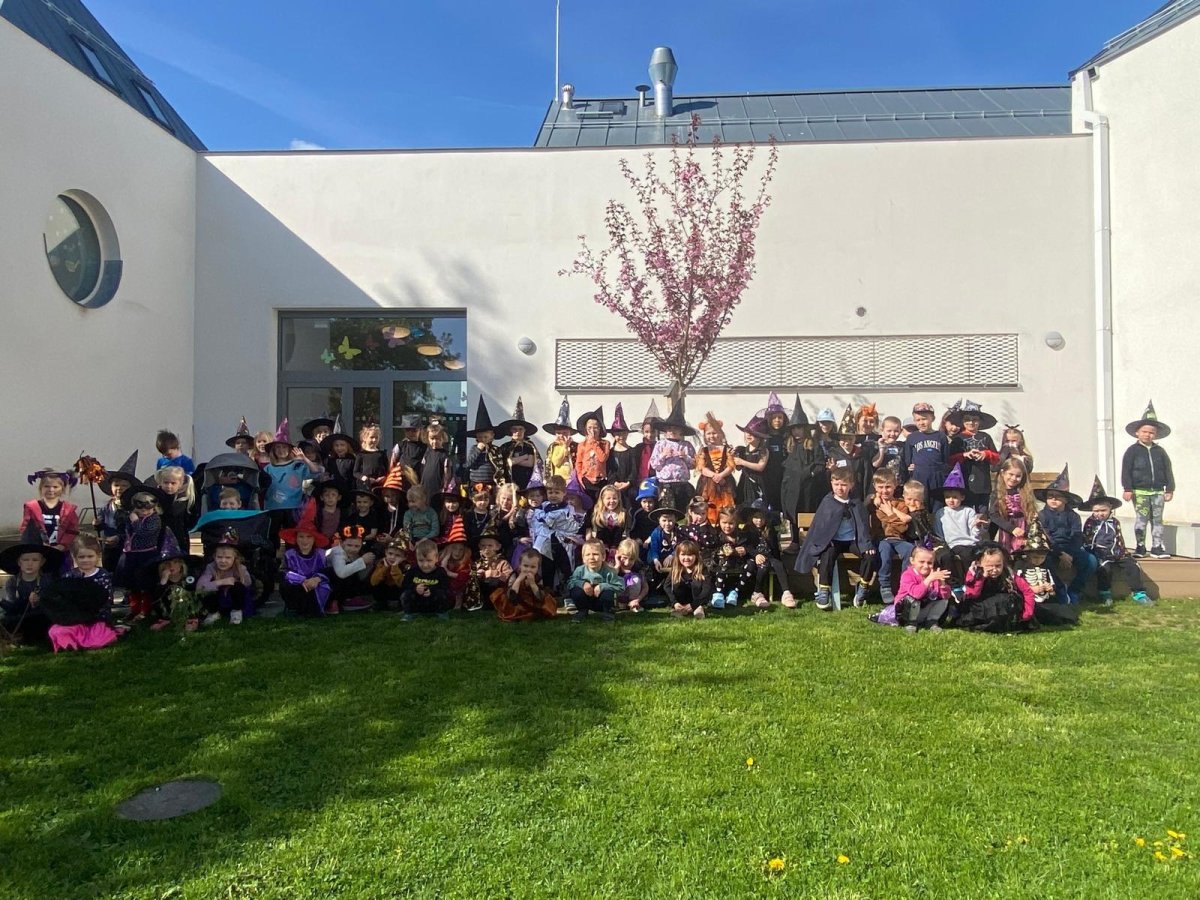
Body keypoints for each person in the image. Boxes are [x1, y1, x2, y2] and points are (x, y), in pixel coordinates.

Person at [794, 467, 878, 610]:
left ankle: (863, 587)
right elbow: (820, 526)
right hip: (834, 541)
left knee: (870, 556)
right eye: (836, 484)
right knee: (827, 555)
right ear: (831, 484)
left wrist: (867, 544)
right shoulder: (828, 502)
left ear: (851, 485)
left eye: (844, 484)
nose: (840, 488)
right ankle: (824, 590)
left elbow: (863, 527)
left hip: (853, 541)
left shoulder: (856, 503)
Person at [1080, 478, 1151, 606]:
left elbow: (1118, 538)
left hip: (1117, 552)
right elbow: (1087, 539)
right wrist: (1092, 551)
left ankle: (1138, 592)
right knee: (1104, 569)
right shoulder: (1090, 523)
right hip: (1100, 553)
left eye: (1103, 510)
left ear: (1110, 509)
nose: (1100, 514)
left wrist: (1122, 552)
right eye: (1096, 511)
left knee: (1132, 566)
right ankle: (1105, 593)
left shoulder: (1115, 522)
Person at [117, 484, 180, 620]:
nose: (145, 512)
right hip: (132, 554)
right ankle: (134, 609)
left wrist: (135, 522)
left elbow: (143, 533)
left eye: (148, 509)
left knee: (145, 584)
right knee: (133, 584)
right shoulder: (132, 518)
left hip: (147, 555)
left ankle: (145, 610)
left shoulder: (154, 520)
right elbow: (127, 533)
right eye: (141, 510)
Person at [1121, 401, 1175, 558]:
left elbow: (1168, 470)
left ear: (1155, 435)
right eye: (1144, 431)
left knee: (1157, 519)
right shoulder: (1132, 451)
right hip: (1140, 492)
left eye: (1151, 432)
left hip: (1157, 492)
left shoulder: (1160, 451)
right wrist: (1127, 488)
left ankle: (1157, 547)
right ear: (1137, 433)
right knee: (1141, 519)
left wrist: (1170, 489)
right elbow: (1126, 471)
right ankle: (1140, 546)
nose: (1147, 435)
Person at [1035, 465, 1093, 604]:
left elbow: (1077, 536)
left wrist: (1070, 554)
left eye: (1058, 497)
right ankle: (1060, 590)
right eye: (1050, 496)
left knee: (1091, 561)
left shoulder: (1073, 516)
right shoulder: (1041, 516)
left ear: (1066, 499)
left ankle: (1074, 590)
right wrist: (1060, 554)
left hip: (1070, 548)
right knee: (1044, 562)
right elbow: (1045, 537)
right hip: (1050, 548)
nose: (1053, 499)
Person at [956, 544, 1036, 632]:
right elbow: (973, 594)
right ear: (979, 563)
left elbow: (1027, 591)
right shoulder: (974, 573)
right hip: (981, 606)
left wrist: (1028, 612)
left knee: (1008, 599)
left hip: (1004, 606)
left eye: (998, 566)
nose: (994, 570)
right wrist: (982, 578)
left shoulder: (1009, 574)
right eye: (990, 566)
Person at [933, 464, 987, 592]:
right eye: (947, 497)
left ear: (962, 497)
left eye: (955, 497)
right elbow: (938, 532)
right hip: (950, 544)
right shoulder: (941, 513)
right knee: (947, 556)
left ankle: (971, 580)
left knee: (969, 553)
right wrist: (943, 544)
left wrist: (977, 526)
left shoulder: (968, 511)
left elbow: (975, 534)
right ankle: (955, 584)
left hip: (968, 543)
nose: (951, 500)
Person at [0, 542, 62, 644]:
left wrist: (40, 599)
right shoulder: (12, 582)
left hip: (41, 615)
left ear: (42, 562)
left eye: (35, 560)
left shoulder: (48, 580)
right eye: (25, 560)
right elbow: (12, 606)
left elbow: (54, 602)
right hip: (19, 615)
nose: (30, 564)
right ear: (19, 562)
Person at [947, 401, 999, 511]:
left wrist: (986, 454)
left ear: (980, 421)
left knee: (983, 513)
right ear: (962, 421)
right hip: (964, 484)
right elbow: (950, 460)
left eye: (975, 419)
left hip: (983, 483)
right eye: (967, 419)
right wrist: (964, 455)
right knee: (966, 512)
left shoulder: (986, 437)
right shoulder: (958, 438)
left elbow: (997, 458)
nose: (971, 422)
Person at [870, 471, 912, 605]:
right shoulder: (873, 504)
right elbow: (862, 507)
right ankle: (885, 585)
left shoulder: (901, 504)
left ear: (895, 486)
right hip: (882, 539)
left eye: (888, 487)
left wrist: (890, 512)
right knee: (884, 549)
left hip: (899, 539)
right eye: (880, 487)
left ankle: (906, 584)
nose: (884, 490)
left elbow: (902, 528)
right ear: (875, 487)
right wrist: (874, 497)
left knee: (911, 550)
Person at [196, 530, 256, 625]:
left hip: (234, 600)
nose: (223, 561)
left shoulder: (240, 568)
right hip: (218, 600)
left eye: (228, 558)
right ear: (214, 557)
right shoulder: (211, 567)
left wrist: (236, 581)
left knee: (238, 587)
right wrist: (221, 582)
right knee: (207, 590)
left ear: (235, 558)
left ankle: (236, 612)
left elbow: (248, 584)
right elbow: (200, 587)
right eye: (219, 557)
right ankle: (214, 612)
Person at [989, 458, 1044, 557]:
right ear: (1003, 473)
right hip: (1006, 528)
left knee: (1022, 555)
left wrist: (1027, 531)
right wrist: (1012, 528)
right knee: (1007, 555)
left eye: (1018, 476)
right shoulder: (996, 493)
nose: (1014, 478)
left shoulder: (1025, 493)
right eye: (1010, 474)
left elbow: (1030, 512)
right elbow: (993, 515)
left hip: (1023, 528)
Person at [649, 405, 697, 514]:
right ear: (666, 430)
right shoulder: (660, 444)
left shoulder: (686, 445)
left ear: (681, 431)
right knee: (668, 510)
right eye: (669, 428)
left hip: (682, 483)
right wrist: (663, 455)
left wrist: (685, 457)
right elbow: (654, 464)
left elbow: (694, 465)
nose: (672, 431)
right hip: (666, 484)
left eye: (676, 428)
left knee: (683, 510)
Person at [20, 468, 80, 555]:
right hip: (38, 551)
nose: (51, 490)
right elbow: (26, 530)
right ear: (41, 488)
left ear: (62, 489)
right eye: (47, 486)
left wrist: (63, 545)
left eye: (55, 487)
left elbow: (72, 530)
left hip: (60, 551)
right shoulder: (32, 507)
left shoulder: (68, 510)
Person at [894, 546, 952, 634]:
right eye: (921, 562)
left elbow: (946, 596)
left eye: (929, 563)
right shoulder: (907, 575)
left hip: (922, 610)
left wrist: (942, 584)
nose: (926, 566)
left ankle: (931, 621)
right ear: (912, 561)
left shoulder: (934, 575)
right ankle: (910, 624)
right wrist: (929, 579)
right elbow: (916, 594)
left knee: (943, 600)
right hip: (905, 612)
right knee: (911, 599)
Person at [279, 521, 332, 616]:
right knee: (286, 585)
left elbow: (328, 571)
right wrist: (301, 580)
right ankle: (295, 608)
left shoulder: (321, 554)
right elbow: (283, 572)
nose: (305, 540)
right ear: (296, 538)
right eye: (301, 537)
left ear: (314, 539)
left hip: (316, 585)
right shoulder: (289, 554)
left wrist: (316, 579)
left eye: (309, 537)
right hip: (297, 585)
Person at [710, 507, 760, 609]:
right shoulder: (716, 535)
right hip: (721, 565)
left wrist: (745, 551)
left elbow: (749, 548)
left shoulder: (741, 535)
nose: (727, 526)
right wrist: (725, 551)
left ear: (736, 523)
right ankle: (719, 593)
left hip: (739, 564)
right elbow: (711, 550)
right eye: (724, 523)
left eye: (731, 523)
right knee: (722, 562)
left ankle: (735, 592)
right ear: (719, 522)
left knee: (751, 563)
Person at [491, 547, 558, 622]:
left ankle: (533, 613)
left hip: (531, 601)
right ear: (520, 565)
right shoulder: (515, 575)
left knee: (547, 599)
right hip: (516, 600)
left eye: (533, 567)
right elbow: (511, 595)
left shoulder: (537, 578)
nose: (528, 569)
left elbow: (539, 596)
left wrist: (532, 583)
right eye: (525, 566)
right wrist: (518, 580)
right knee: (505, 598)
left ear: (538, 568)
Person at [566, 538, 623, 622]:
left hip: (602, 602)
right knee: (576, 591)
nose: (591, 557)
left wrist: (602, 586)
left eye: (595, 554)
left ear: (603, 557)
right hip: (585, 600)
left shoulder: (609, 572)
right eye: (588, 554)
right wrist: (582, 584)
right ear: (583, 558)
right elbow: (570, 583)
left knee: (608, 592)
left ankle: (608, 614)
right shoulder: (580, 570)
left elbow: (620, 586)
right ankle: (582, 611)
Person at [902, 402, 950, 502]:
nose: (921, 423)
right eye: (918, 420)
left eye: (924, 419)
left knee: (938, 502)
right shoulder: (912, 437)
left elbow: (945, 458)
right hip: (919, 475)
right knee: (921, 502)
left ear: (932, 418)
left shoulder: (941, 436)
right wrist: (910, 466)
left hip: (937, 475)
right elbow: (908, 459)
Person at [694, 412, 736, 523]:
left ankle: (724, 524)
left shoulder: (727, 449)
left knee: (726, 505)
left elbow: (731, 465)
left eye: (714, 433)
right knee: (708, 505)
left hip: (725, 481)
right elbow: (701, 467)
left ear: (720, 434)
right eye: (708, 433)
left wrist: (721, 475)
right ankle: (709, 525)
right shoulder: (703, 450)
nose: (711, 436)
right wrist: (714, 476)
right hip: (707, 483)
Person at [326, 525, 376, 613]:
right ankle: (339, 601)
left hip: (340, 583)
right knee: (347, 568)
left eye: (357, 546)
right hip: (329, 584)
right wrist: (362, 561)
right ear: (341, 543)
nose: (352, 549)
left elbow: (360, 575)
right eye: (349, 545)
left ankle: (352, 599)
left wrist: (368, 564)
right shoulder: (337, 552)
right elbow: (341, 573)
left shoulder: (354, 554)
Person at [399, 539, 452, 620]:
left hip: (434, 603)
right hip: (418, 602)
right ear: (416, 558)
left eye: (429, 560)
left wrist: (432, 590)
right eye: (421, 560)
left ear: (436, 558)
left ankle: (442, 613)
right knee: (406, 594)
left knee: (442, 595)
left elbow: (447, 589)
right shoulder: (413, 571)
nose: (425, 565)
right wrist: (415, 588)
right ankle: (410, 613)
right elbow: (404, 586)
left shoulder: (440, 572)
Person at [150, 548, 201, 631]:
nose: (171, 566)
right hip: (168, 609)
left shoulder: (189, 576)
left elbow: (195, 593)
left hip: (188, 609)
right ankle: (165, 619)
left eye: (175, 562)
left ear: (181, 564)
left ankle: (192, 619)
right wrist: (163, 581)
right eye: (167, 563)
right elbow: (155, 598)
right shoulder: (160, 579)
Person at [498, 398, 543, 491]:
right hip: (510, 485)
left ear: (524, 430)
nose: (517, 432)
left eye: (520, 429)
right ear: (510, 430)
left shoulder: (529, 446)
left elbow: (531, 463)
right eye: (514, 429)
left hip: (528, 485)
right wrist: (524, 457)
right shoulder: (505, 447)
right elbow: (505, 464)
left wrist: (514, 461)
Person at [466, 528, 512, 611]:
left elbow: (509, 577)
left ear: (498, 547)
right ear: (479, 547)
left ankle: (496, 604)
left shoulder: (502, 562)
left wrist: (493, 573)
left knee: (494, 583)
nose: (486, 549)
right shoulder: (478, 563)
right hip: (482, 593)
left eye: (490, 546)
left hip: (496, 591)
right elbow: (470, 575)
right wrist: (476, 574)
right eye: (483, 546)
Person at [666, 539, 711, 619]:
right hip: (680, 602)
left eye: (690, 555)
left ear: (696, 556)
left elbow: (706, 589)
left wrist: (694, 605)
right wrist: (674, 603)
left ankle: (699, 609)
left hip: (697, 601)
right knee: (677, 584)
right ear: (678, 556)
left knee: (698, 612)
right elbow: (667, 586)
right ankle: (679, 610)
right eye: (683, 555)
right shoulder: (676, 569)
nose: (686, 558)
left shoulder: (702, 570)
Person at [574, 407, 611, 503]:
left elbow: (603, 458)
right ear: (586, 430)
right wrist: (581, 477)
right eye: (589, 428)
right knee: (589, 502)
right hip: (587, 479)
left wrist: (594, 443)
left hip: (600, 479)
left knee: (600, 502)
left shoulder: (605, 443)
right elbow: (579, 463)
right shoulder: (582, 445)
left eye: (595, 428)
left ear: (600, 429)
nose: (592, 431)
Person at [465, 396, 504, 489]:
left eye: (485, 437)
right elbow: (468, 464)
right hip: (476, 484)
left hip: (491, 484)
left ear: (492, 437)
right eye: (480, 437)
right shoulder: (474, 448)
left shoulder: (496, 450)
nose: (483, 439)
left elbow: (500, 467)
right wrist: (478, 450)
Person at [760, 391, 789, 512]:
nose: (777, 420)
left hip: (783, 478)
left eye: (780, 417)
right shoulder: (763, 438)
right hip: (767, 478)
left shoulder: (787, 437)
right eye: (774, 417)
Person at [605, 404, 639, 509]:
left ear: (627, 434)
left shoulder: (632, 451)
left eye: (623, 433)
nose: (621, 436)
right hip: (614, 487)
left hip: (629, 488)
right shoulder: (610, 452)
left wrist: (628, 483)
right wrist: (615, 482)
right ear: (613, 435)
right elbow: (609, 470)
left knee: (629, 509)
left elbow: (634, 469)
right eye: (618, 434)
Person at [733, 417, 769, 508]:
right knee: (742, 506)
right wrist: (733, 457)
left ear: (759, 437)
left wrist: (742, 462)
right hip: (744, 481)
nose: (749, 435)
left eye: (752, 433)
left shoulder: (763, 450)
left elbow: (760, 467)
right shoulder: (742, 450)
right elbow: (738, 468)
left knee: (756, 507)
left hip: (757, 481)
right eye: (747, 432)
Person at [588, 485, 629, 561]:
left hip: (617, 543)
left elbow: (625, 532)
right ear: (602, 499)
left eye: (614, 498)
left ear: (619, 499)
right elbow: (593, 530)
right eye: (608, 498)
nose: (612, 501)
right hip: (602, 543)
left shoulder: (622, 513)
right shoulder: (598, 513)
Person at [368, 538, 409, 612]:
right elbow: (373, 582)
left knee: (403, 588)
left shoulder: (405, 566)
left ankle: (396, 603)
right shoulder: (381, 563)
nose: (392, 557)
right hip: (384, 589)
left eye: (397, 555)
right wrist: (384, 568)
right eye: (390, 553)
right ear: (385, 553)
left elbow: (402, 584)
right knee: (377, 584)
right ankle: (380, 602)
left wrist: (395, 567)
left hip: (396, 590)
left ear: (404, 558)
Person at [542, 399, 577, 482]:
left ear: (570, 433)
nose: (561, 435)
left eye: (564, 433)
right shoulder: (553, 447)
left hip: (572, 481)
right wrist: (565, 447)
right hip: (557, 482)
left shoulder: (576, 446)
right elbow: (556, 462)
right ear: (555, 434)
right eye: (558, 433)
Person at [613, 538, 650, 613]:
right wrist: (617, 566)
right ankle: (617, 604)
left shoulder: (638, 566)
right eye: (624, 558)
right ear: (618, 554)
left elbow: (645, 587)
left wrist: (638, 599)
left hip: (632, 595)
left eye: (631, 559)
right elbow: (609, 580)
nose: (627, 563)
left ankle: (633, 604)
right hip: (617, 596)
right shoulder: (613, 564)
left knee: (635, 578)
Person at [351, 422, 389, 493]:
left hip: (380, 486)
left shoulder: (382, 454)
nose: (374, 440)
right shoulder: (361, 454)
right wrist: (365, 478)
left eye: (376, 438)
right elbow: (355, 472)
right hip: (365, 486)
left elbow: (387, 470)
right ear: (364, 438)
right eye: (372, 437)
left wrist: (383, 477)